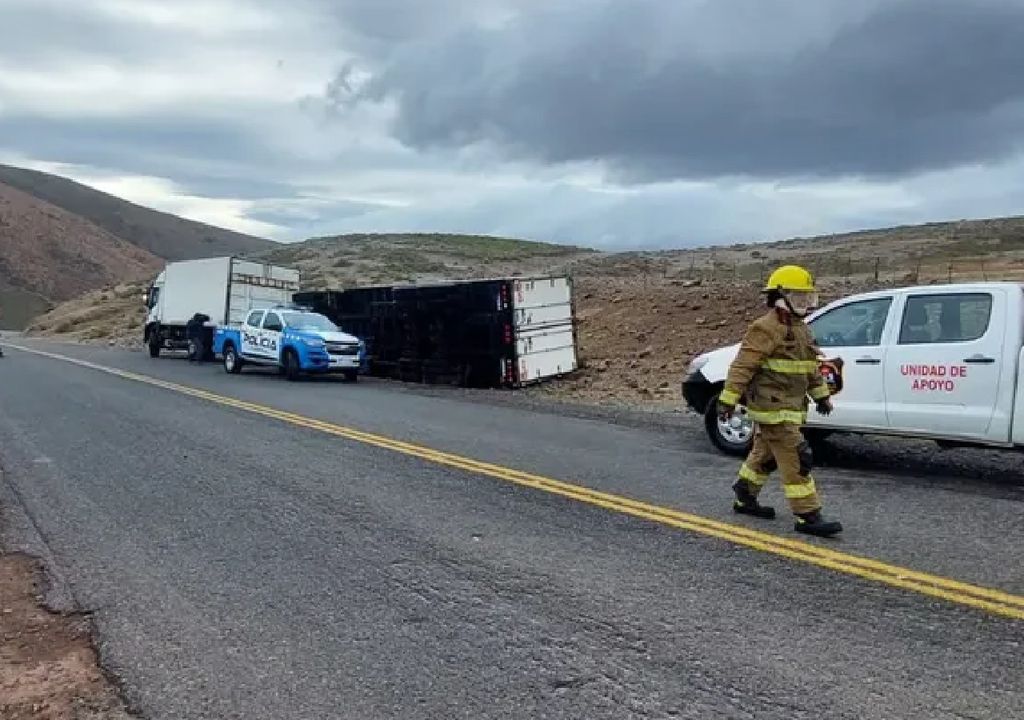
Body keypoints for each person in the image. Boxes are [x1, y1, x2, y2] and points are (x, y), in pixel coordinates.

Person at [717, 265, 843, 537]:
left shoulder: (801, 329)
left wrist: (821, 397)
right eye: (798, 298)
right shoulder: (764, 328)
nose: (805, 304)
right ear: (779, 296)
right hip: (772, 409)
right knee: (797, 457)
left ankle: (745, 495)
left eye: (808, 298)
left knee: (765, 455)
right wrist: (727, 401)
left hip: (790, 407)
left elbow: (809, 367)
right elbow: (742, 366)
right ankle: (807, 515)